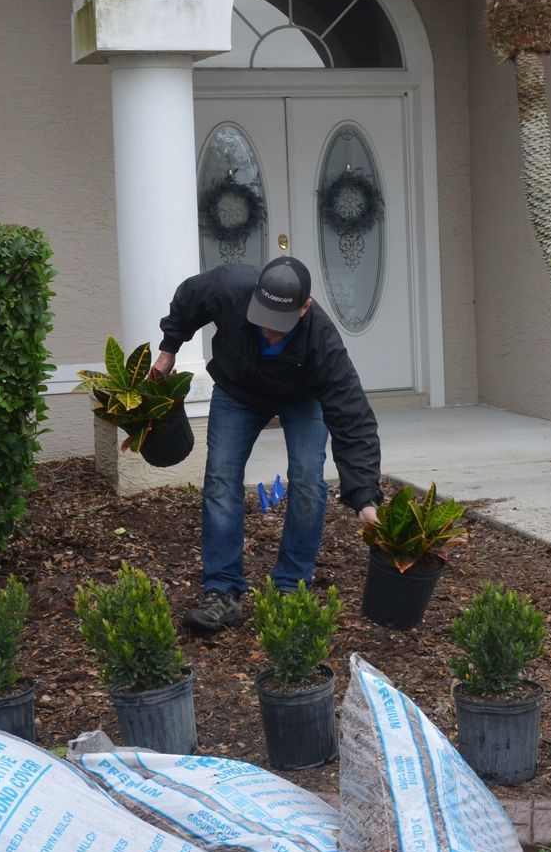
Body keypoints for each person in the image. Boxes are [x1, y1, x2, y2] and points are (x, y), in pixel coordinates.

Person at [152, 255, 381, 632]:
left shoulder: (322, 342)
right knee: (221, 479)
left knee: (308, 479)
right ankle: (222, 591)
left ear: (304, 308)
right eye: (264, 322)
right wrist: (168, 351)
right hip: (237, 390)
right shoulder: (230, 287)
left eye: (280, 327)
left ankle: (290, 588)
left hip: (300, 398)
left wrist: (365, 496)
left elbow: (352, 418)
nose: (270, 333)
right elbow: (189, 300)